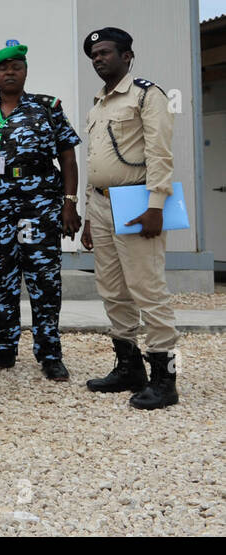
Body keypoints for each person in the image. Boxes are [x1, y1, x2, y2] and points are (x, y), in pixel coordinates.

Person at [0, 41, 81, 380]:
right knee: (1, 280)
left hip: (40, 204)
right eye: (3, 68)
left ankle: (50, 353)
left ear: (25, 70)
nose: (9, 72)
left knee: (44, 279)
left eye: (16, 66)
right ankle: (3, 349)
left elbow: (68, 158)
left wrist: (69, 204)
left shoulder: (48, 108)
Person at [80, 27, 179, 409]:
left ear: (127, 55)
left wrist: (156, 206)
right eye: (94, 56)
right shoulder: (98, 104)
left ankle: (166, 381)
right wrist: (89, 215)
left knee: (148, 291)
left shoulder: (146, 95)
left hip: (137, 202)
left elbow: (160, 154)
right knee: (112, 290)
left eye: (105, 52)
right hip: (103, 205)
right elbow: (95, 163)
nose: (98, 59)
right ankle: (129, 367)